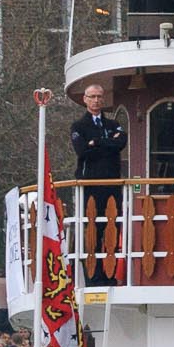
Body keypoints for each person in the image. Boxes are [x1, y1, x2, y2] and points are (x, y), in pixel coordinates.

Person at [70, 82, 126, 279]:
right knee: (93, 228)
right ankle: (93, 275)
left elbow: (121, 143)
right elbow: (83, 151)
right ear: (85, 99)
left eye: (99, 96)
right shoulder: (79, 126)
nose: (96, 100)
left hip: (112, 184)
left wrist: (97, 142)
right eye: (92, 96)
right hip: (90, 185)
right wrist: (106, 142)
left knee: (113, 227)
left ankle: (110, 273)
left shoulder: (112, 124)